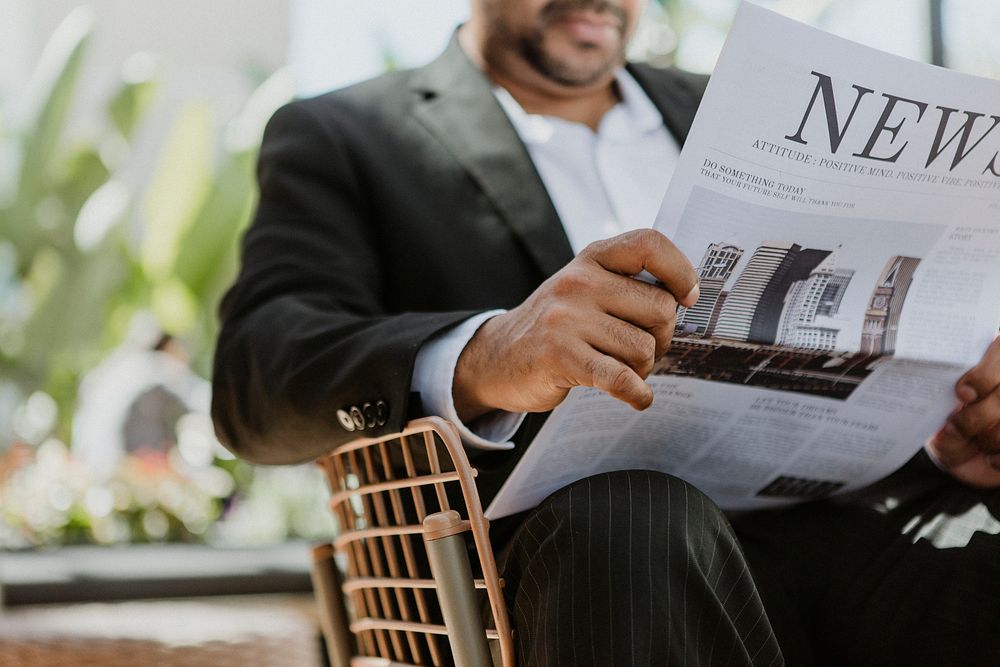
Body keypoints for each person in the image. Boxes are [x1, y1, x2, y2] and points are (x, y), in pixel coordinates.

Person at [212, 0, 1000, 664]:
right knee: (632, 520)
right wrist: (488, 357)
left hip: (849, 521)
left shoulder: (748, 107)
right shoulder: (345, 133)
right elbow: (258, 373)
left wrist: (969, 399)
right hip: (565, 566)